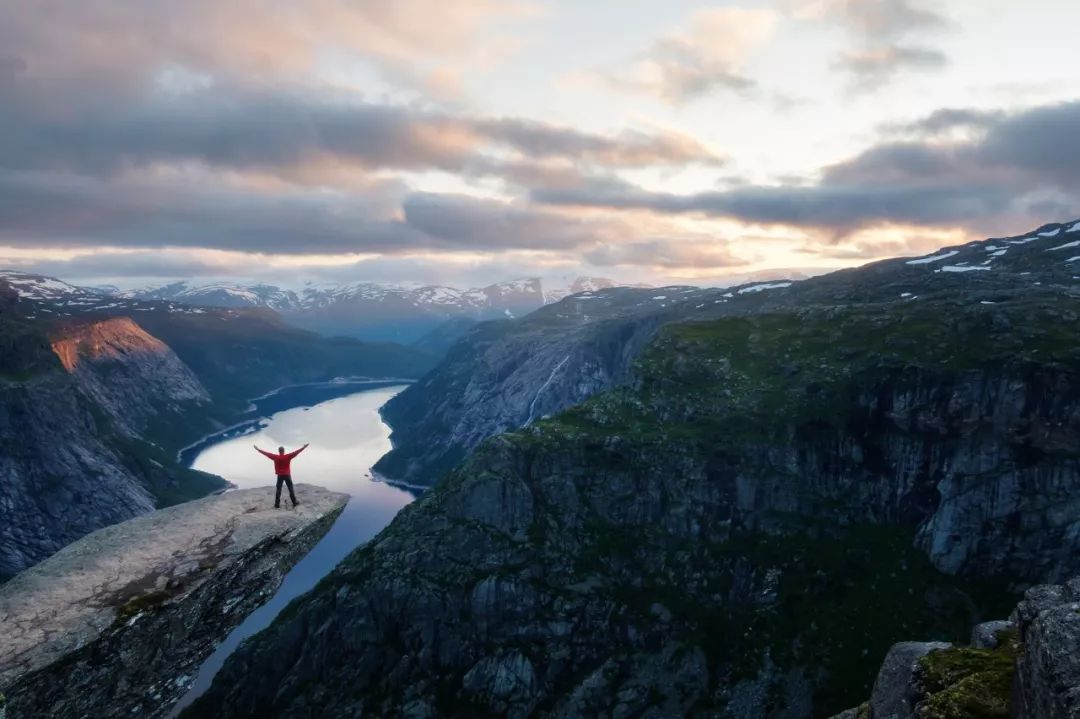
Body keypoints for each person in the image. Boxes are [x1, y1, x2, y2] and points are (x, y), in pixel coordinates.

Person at [254, 443, 309, 508]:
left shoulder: (275, 457)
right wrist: (303, 447)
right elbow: (296, 452)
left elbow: (266, 453)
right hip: (287, 475)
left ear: (279, 451)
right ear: (283, 451)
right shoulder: (288, 456)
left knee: (278, 489)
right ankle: (294, 502)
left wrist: (258, 449)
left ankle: (277, 504)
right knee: (290, 488)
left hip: (280, 475)